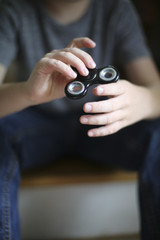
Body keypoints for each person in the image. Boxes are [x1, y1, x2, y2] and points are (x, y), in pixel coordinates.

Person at [0, 0, 160, 239]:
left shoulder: (116, 8)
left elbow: (155, 88)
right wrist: (28, 93)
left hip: (101, 119)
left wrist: (145, 99)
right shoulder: (14, 9)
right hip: (33, 120)